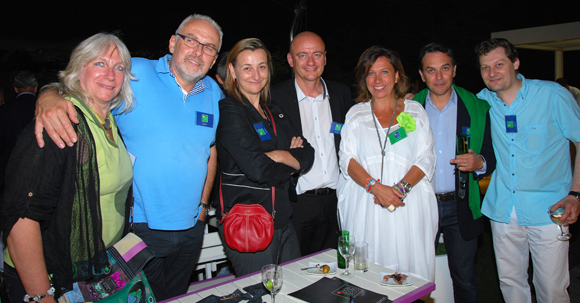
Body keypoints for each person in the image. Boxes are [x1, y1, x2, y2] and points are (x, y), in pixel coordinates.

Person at [32, 14, 224, 300]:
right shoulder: (136, 73)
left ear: (214, 58)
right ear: (173, 43)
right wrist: (48, 95)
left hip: (191, 228)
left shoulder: (213, 92)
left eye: (209, 47)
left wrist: (202, 205)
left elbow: (210, 150)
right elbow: (83, 86)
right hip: (141, 227)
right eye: (191, 40)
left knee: (176, 297)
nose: (199, 51)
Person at [1, 33, 134, 303]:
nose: (110, 74)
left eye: (119, 67)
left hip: (94, 271)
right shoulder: (60, 124)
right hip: (51, 279)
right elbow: (21, 219)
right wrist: (41, 296)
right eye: (99, 64)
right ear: (77, 69)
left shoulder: (109, 122)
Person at [475, 38, 580, 303]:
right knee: (510, 284)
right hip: (502, 210)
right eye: (485, 67)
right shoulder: (482, 101)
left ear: (516, 63)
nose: (492, 73)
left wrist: (575, 194)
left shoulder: (552, 95)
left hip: (549, 209)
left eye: (499, 64)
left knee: (552, 287)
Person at [337, 46, 437, 282]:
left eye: (384, 72)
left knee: (409, 275)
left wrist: (399, 190)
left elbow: (426, 157)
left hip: (407, 206)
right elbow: (346, 159)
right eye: (370, 73)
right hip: (367, 206)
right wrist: (375, 187)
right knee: (369, 278)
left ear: (396, 76)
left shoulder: (414, 112)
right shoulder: (356, 115)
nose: (378, 79)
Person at [215, 38, 314, 276]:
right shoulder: (231, 111)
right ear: (232, 70)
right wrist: (292, 162)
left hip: (282, 219)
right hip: (249, 223)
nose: (256, 74)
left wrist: (279, 155)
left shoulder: (274, 111)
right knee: (258, 294)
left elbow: (308, 154)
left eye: (261, 66)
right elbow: (258, 169)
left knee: (292, 291)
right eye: (246, 67)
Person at [413, 43, 495, 303]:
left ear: (455, 70)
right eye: (431, 70)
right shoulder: (408, 110)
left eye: (445, 69)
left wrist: (479, 161)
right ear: (422, 74)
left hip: (460, 204)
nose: (438, 77)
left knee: (464, 277)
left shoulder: (477, 108)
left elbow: (492, 156)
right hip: (420, 204)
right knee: (414, 275)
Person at [271, 31, 352, 256]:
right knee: (294, 276)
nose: (310, 62)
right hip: (295, 205)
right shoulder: (274, 98)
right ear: (290, 59)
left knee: (333, 276)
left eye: (316, 54)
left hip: (336, 202)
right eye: (302, 55)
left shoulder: (341, 94)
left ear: (325, 58)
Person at [0, 71, 38, 194]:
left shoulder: (5, 111)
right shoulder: (44, 108)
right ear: (36, 87)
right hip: (38, 168)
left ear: (16, 89)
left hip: (11, 166)